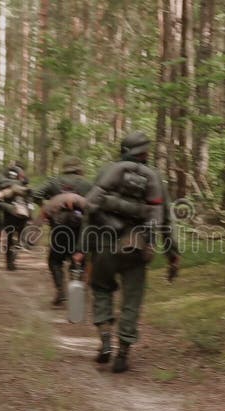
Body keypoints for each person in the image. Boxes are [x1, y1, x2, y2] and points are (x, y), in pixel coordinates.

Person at [74, 131, 180, 373]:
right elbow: (166, 220)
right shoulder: (155, 179)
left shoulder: (106, 172)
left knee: (102, 290)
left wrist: (81, 248)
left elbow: (90, 213)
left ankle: (105, 341)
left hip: (104, 245)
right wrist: (172, 254)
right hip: (137, 247)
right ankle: (123, 352)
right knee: (132, 299)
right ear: (145, 153)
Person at [33, 156, 93, 306]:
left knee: (54, 260)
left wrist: (44, 206)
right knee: (79, 259)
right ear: (79, 169)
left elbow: (35, 194)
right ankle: (77, 295)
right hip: (80, 228)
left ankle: (61, 291)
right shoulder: (87, 184)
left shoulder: (54, 182)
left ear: (64, 168)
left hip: (59, 227)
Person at [0, 163, 32, 271]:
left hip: (8, 213)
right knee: (19, 237)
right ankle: (13, 258)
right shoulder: (23, 182)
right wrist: (30, 218)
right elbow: (29, 202)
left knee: (10, 237)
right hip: (22, 213)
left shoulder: (2, 183)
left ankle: (9, 261)